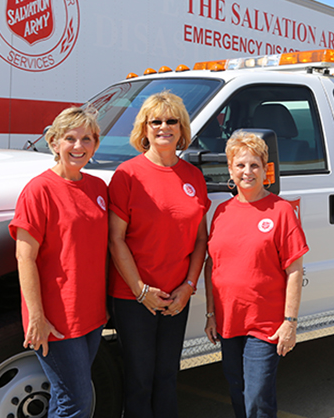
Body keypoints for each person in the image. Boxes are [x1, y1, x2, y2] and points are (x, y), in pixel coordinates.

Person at [108, 91, 210, 418]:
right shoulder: (128, 175)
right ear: (145, 129)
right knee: (139, 379)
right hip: (133, 296)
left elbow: (200, 240)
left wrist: (188, 287)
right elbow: (115, 240)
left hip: (177, 295)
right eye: (156, 121)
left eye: (171, 121)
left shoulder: (193, 176)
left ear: (182, 129)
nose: (164, 127)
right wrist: (141, 292)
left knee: (167, 375)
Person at [10, 106, 108, 417]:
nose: (79, 147)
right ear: (54, 143)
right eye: (70, 138)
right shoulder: (39, 190)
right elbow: (24, 257)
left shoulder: (97, 188)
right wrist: (36, 317)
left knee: (65, 397)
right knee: (76, 403)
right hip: (56, 318)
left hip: (90, 314)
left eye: (88, 139)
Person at [204, 131, 308, 418]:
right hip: (228, 321)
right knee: (236, 388)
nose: (247, 172)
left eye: (254, 165)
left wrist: (290, 322)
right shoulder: (222, 211)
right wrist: (211, 314)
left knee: (257, 395)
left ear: (265, 169)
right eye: (240, 165)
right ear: (230, 169)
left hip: (265, 324)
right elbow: (212, 264)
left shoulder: (280, 210)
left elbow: (295, 270)